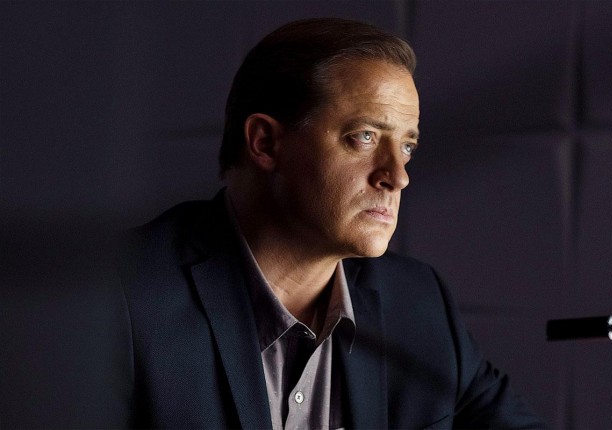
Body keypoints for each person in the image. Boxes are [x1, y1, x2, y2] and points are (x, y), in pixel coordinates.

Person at [120, 18, 548, 428]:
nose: (397, 176)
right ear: (265, 143)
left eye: (407, 147)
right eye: (364, 137)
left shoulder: (418, 303)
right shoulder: (120, 298)